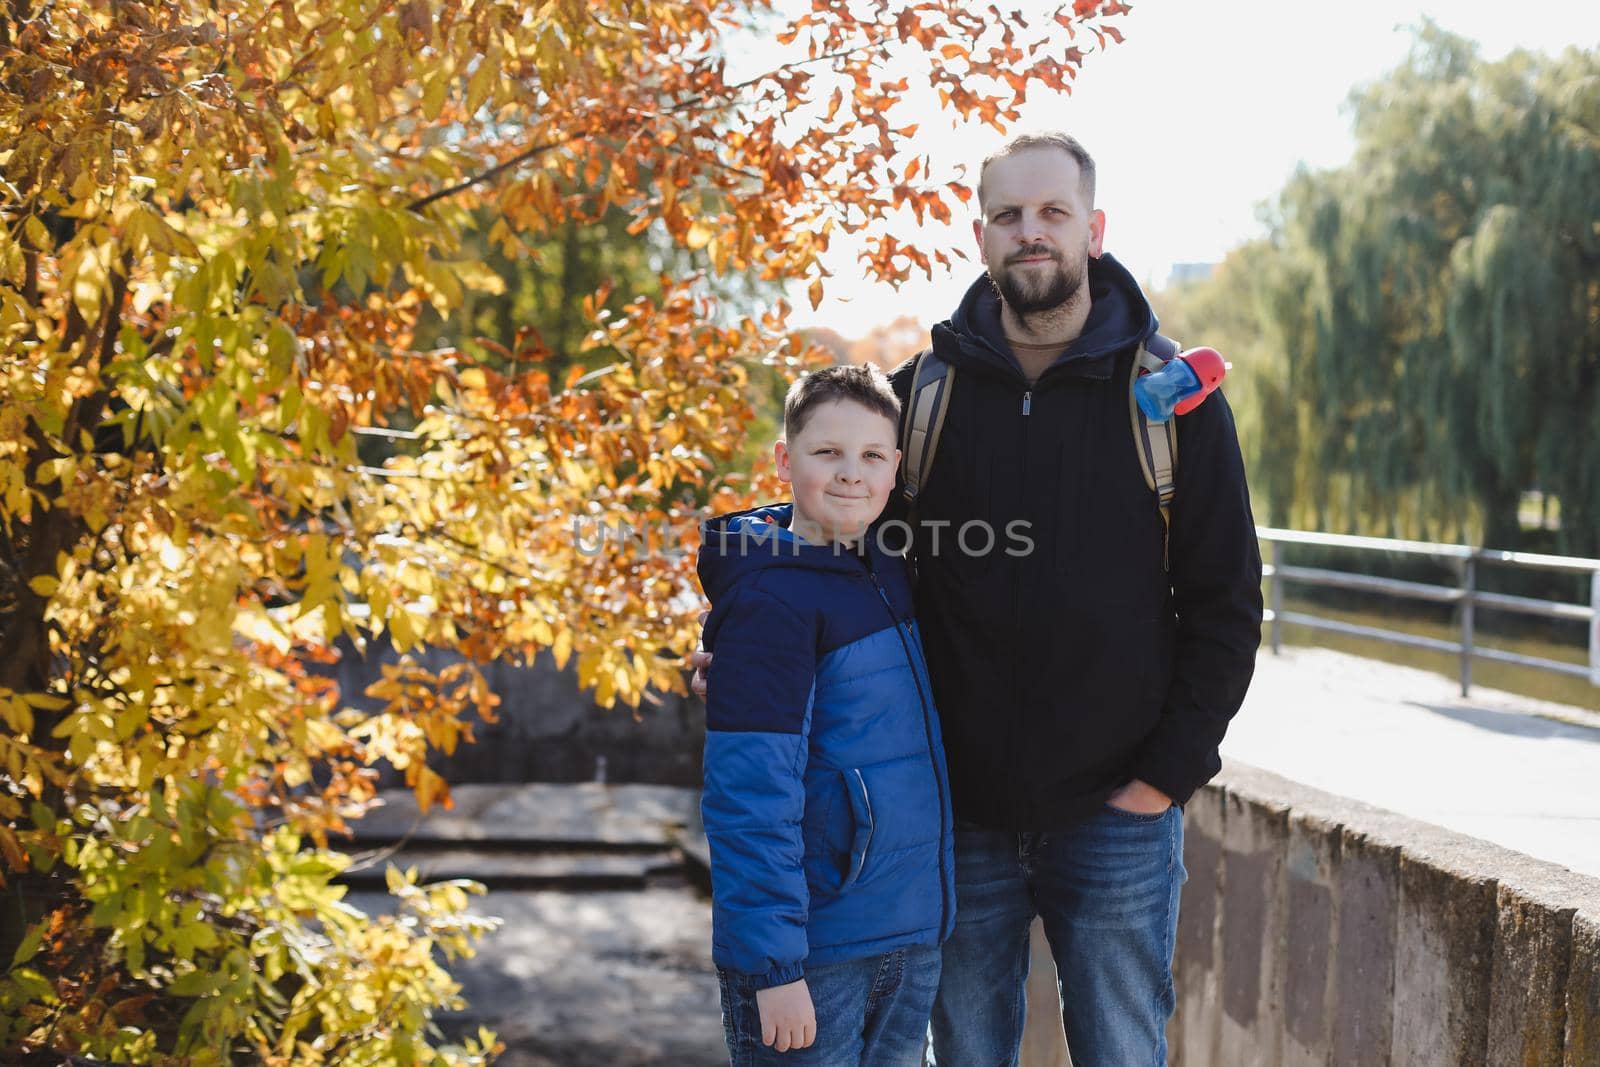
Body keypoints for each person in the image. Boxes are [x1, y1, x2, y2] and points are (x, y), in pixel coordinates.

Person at [695, 365, 955, 1066]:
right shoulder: (770, 601)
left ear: (896, 468)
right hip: (815, 957)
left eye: (872, 456)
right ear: (785, 459)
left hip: (907, 941)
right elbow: (750, 795)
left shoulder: (886, 570)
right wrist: (775, 969)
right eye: (826, 453)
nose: (851, 474)